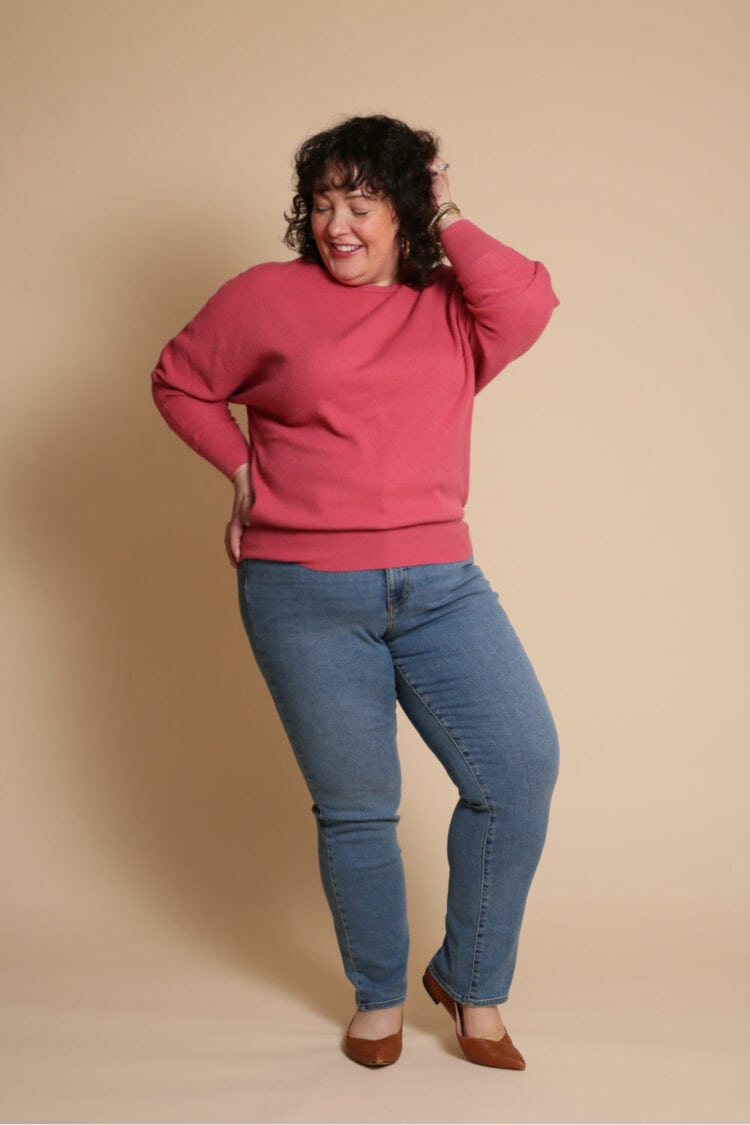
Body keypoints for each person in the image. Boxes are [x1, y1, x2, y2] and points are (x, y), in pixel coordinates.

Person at [151, 114, 560, 1070]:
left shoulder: (454, 309)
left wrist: (446, 208)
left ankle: (472, 982)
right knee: (358, 804)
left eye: (363, 202)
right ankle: (378, 995)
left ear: (405, 210)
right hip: (301, 593)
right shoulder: (264, 297)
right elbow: (178, 381)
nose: (337, 223)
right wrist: (239, 471)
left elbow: (530, 301)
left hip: (442, 588)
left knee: (517, 769)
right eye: (323, 202)